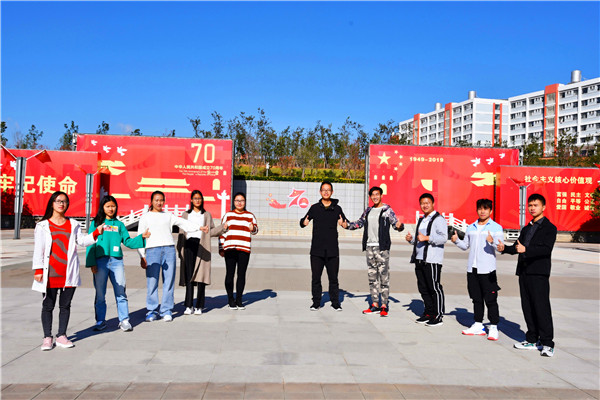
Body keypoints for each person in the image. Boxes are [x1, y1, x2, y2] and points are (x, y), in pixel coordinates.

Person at [32, 191, 104, 350]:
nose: (61, 204)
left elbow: (82, 241)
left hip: (68, 273)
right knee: (48, 306)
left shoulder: (73, 224)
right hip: (50, 273)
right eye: (58, 201)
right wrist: (38, 269)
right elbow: (39, 250)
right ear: (52, 203)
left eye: (64, 201)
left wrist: (96, 233)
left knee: (65, 306)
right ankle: (47, 337)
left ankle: (62, 336)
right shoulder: (42, 225)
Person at [498, 193, 557, 357]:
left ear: (543, 207)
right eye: (530, 205)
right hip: (524, 272)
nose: (532, 208)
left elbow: (546, 249)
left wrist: (527, 250)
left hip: (538, 273)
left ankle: (547, 343)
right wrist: (505, 248)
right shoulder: (527, 228)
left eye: (535, 205)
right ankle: (532, 339)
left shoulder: (549, 228)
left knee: (541, 307)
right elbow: (518, 247)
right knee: (528, 307)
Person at [86, 195, 151, 332]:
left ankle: (124, 320)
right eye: (108, 206)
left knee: (121, 291)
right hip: (100, 261)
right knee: (100, 294)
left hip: (117, 262)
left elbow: (128, 241)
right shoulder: (96, 223)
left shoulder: (119, 225)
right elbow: (90, 243)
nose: (111, 209)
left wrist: (142, 238)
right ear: (103, 208)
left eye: (113, 206)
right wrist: (92, 262)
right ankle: (100, 321)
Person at [138, 191, 205, 322]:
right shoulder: (145, 217)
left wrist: (199, 227)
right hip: (152, 251)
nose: (159, 202)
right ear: (151, 201)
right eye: (156, 200)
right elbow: (140, 236)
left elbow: (183, 223)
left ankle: (166, 310)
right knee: (152, 282)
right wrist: (142, 255)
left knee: (169, 282)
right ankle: (152, 311)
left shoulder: (168, 216)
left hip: (168, 250)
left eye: (161, 200)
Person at [341, 186, 404, 317]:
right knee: (372, 278)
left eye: (377, 194)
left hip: (382, 248)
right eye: (373, 195)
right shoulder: (368, 211)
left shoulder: (387, 211)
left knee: (384, 278)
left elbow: (395, 224)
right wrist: (347, 225)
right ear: (370, 197)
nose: (375, 197)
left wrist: (400, 226)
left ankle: (384, 305)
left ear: (381, 195)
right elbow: (359, 223)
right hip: (370, 247)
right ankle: (375, 304)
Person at [451, 199, 504, 340]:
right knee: (476, 298)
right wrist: (456, 241)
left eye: (485, 208)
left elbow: (500, 248)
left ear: (490, 211)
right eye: (480, 208)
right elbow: (465, 246)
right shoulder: (471, 227)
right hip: (472, 268)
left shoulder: (496, 227)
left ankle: (494, 326)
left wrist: (492, 242)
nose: (482, 211)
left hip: (488, 269)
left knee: (491, 299)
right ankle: (478, 324)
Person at [177, 190, 227, 315]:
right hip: (188, 246)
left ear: (202, 200)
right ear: (191, 200)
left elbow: (211, 231)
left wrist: (222, 228)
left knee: (201, 277)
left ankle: (199, 306)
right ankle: (189, 305)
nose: (197, 200)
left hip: (202, 246)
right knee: (189, 276)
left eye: (199, 198)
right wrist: (180, 249)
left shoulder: (206, 215)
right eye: (195, 198)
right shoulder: (185, 215)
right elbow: (181, 233)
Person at [300, 181, 347, 311]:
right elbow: (303, 221)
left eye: (328, 190)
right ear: (320, 192)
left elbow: (345, 222)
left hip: (332, 250)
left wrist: (344, 224)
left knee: (333, 278)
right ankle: (316, 302)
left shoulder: (337, 208)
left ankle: (335, 302)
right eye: (324, 190)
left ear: (332, 192)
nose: (326, 192)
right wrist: (304, 222)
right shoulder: (315, 208)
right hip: (317, 250)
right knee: (316, 278)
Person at [405, 193, 448, 327]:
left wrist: (427, 238)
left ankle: (438, 315)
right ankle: (429, 312)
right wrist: (411, 239)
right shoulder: (422, 219)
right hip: (420, 259)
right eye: (422, 203)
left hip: (432, 259)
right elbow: (420, 239)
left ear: (433, 203)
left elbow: (443, 238)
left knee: (434, 287)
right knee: (423, 288)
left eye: (427, 203)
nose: (425, 205)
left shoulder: (438, 219)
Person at [219, 192, 258, 310]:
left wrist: (253, 228)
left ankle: (239, 300)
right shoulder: (228, 215)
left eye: (242, 200)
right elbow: (221, 232)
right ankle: (230, 299)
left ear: (245, 202)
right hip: (230, 249)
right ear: (234, 202)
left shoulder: (250, 216)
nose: (239, 203)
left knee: (241, 275)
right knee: (229, 275)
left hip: (244, 249)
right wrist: (221, 248)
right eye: (237, 200)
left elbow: (255, 230)